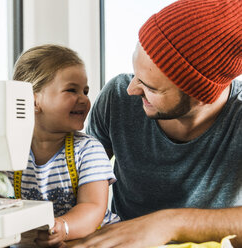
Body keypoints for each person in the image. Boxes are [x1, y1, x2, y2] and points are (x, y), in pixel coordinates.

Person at [72, 0, 242, 247]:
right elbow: (76, 183)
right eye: (136, 74)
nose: (132, 89)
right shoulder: (116, 98)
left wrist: (168, 224)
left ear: (202, 94)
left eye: (150, 87)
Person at [0, 44, 120, 247]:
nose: (84, 99)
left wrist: (63, 226)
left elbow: (93, 207)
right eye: (72, 90)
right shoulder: (12, 146)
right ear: (31, 101)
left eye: (85, 91)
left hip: (91, 240)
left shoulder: (88, 150)